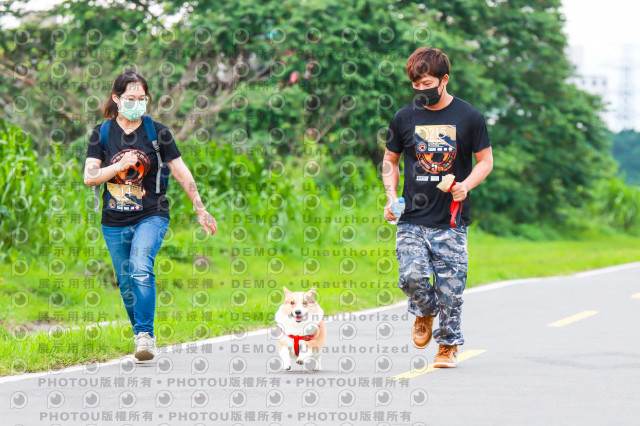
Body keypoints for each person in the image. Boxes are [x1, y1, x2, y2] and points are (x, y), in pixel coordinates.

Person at [84, 71, 218, 363]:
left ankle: (145, 335)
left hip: (152, 213)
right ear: (116, 98)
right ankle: (140, 334)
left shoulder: (158, 132)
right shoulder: (102, 133)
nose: (137, 103)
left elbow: (180, 171)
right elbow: (89, 176)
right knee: (126, 282)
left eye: (142, 98)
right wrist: (119, 165)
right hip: (113, 220)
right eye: (130, 98)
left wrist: (200, 207)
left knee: (140, 268)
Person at [382, 47, 493, 368]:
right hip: (412, 217)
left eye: (427, 84)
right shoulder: (404, 117)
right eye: (416, 85)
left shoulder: (469, 117)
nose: (421, 90)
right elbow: (390, 160)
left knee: (451, 289)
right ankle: (424, 311)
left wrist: (465, 185)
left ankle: (447, 346)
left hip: (451, 220)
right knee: (411, 278)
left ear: (444, 80)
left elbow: (485, 161)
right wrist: (390, 197)